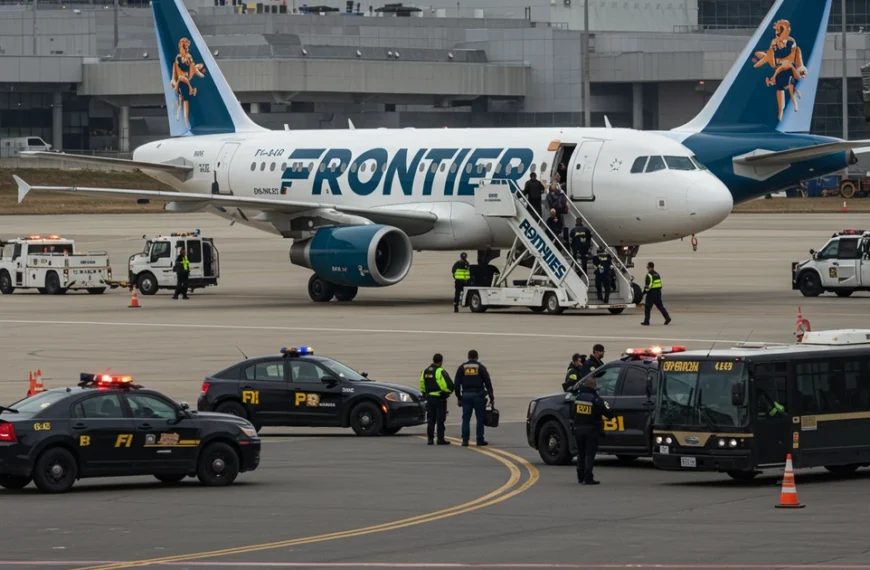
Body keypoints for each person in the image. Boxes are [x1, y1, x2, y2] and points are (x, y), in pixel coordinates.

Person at [570, 375, 615, 485]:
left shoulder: (578, 398)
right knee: (590, 454)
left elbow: (571, 413)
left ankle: (580, 477)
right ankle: (588, 477)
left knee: (581, 453)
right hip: (591, 429)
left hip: (578, 429)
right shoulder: (595, 398)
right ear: (593, 386)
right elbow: (608, 413)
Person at [454, 349, 494, 447]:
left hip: (466, 395)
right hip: (478, 395)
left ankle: (465, 440)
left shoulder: (462, 368)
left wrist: (459, 397)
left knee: (466, 419)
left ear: (468, 357)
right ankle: (479, 439)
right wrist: (491, 395)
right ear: (477, 357)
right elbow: (488, 382)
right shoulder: (480, 367)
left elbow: (456, 384)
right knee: (480, 418)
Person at [420, 353, 454, 445]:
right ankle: (440, 439)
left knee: (431, 419)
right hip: (439, 398)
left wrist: (425, 394)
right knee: (440, 419)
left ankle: (430, 439)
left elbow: (422, 384)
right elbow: (446, 384)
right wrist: (447, 392)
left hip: (430, 398)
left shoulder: (425, 371)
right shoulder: (440, 371)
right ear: (441, 361)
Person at [641, 261, 671, 326]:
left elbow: (648, 286)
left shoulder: (649, 275)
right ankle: (667, 318)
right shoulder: (657, 274)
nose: (647, 268)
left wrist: (643, 293)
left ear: (650, 267)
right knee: (660, 306)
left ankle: (646, 321)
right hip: (658, 292)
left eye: (648, 267)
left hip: (651, 293)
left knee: (648, 307)